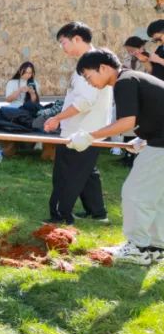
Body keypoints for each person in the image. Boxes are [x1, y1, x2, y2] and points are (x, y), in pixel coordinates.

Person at [69, 49, 164, 266]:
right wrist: (145, 138)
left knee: (135, 193)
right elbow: (154, 112)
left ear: (103, 68)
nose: (89, 83)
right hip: (159, 140)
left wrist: (89, 136)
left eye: (88, 76)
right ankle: (156, 248)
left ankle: (137, 248)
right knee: (156, 196)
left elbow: (127, 122)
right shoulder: (133, 78)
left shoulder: (124, 82)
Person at [41, 23, 112, 225]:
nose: (62, 47)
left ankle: (60, 215)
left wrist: (57, 118)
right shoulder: (93, 60)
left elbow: (84, 102)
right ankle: (97, 212)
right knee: (86, 172)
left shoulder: (90, 64)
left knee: (66, 174)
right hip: (88, 130)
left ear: (77, 39)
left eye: (63, 42)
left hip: (80, 131)